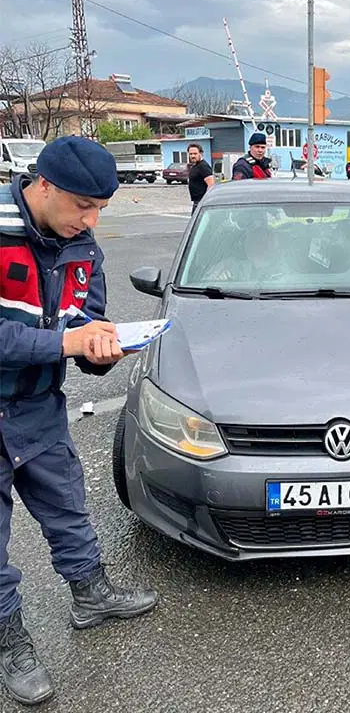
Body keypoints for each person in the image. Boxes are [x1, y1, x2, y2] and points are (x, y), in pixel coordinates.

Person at [0, 137, 158, 705]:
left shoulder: (83, 248)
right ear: (42, 186)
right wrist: (64, 342)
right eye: (82, 206)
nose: (91, 221)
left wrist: (102, 348)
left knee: (68, 508)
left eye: (101, 209)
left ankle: (91, 594)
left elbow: (85, 321)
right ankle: (9, 641)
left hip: (39, 407)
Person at [186, 143, 214, 215]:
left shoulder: (203, 166)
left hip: (201, 202)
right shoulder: (195, 166)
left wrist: (205, 202)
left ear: (201, 153)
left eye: (195, 153)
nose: (193, 156)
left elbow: (211, 185)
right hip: (196, 201)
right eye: (191, 154)